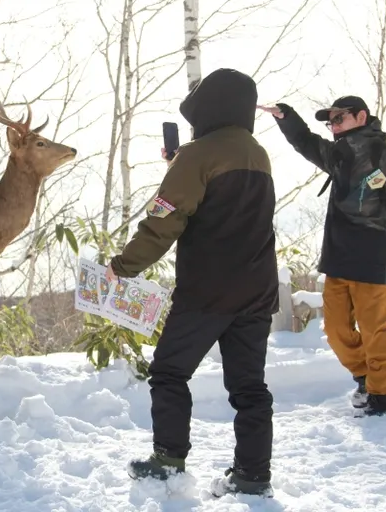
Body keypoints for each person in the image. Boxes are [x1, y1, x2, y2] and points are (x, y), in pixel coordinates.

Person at [106, 68, 279, 497]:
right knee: (249, 386)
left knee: (168, 372)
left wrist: (124, 266)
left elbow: (165, 221)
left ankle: (168, 460)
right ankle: (253, 474)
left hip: (208, 290)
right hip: (257, 289)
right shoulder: (258, 152)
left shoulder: (197, 154)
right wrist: (183, 165)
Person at [259, 96, 386, 416]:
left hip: (373, 257)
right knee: (335, 330)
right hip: (339, 257)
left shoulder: (381, 154)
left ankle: (385, 395)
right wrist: (286, 116)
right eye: (330, 122)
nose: (334, 126)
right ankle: (365, 377)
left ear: (361, 116)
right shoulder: (337, 155)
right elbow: (305, 142)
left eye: (340, 119)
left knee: (375, 329)